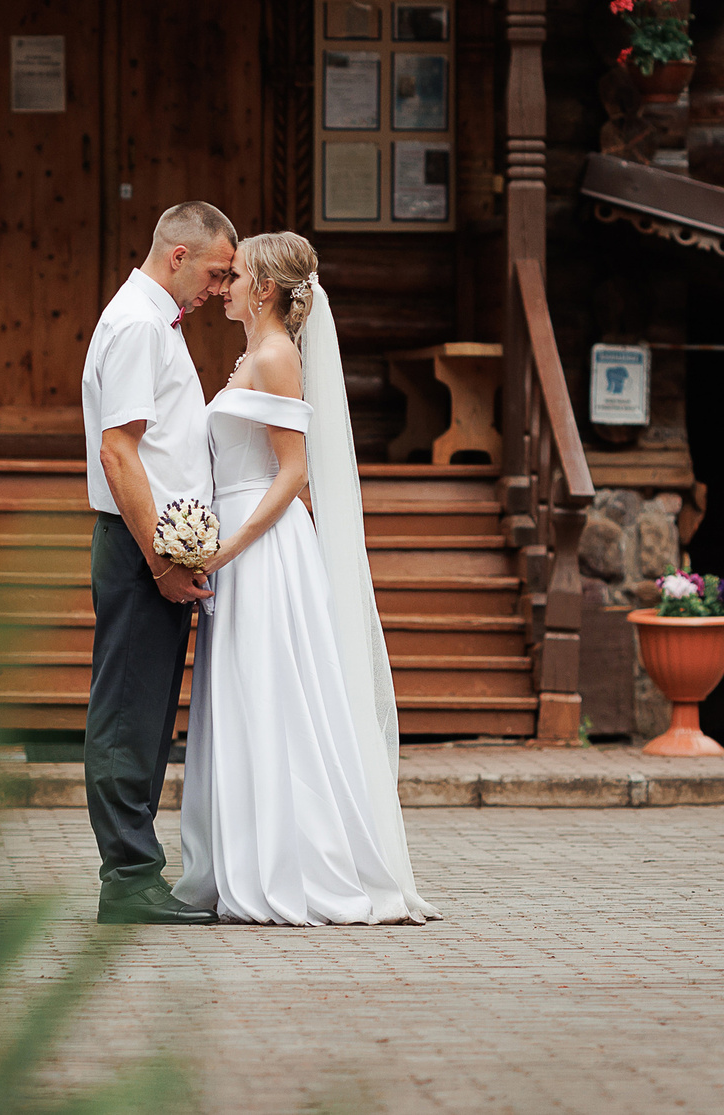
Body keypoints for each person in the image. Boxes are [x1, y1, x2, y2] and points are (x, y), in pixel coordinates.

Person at [174, 231, 439, 926]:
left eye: (234, 276)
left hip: (260, 547)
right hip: (240, 539)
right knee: (249, 695)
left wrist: (223, 550)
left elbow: (293, 472)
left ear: (263, 287)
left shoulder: (276, 356)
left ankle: (294, 862)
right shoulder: (251, 356)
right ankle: (245, 854)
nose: (223, 286)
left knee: (272, 695)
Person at [79, 200, 235, 926]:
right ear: (178, 254)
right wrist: (160, 559)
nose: (218, 286)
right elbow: (120, 450)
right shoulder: (140, 323)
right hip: (141, 549)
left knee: (146, 716)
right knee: (126, 714)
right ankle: (129, 879)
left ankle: (138, 872)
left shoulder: (151, 319)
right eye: (215, 271)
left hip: (155, 547)